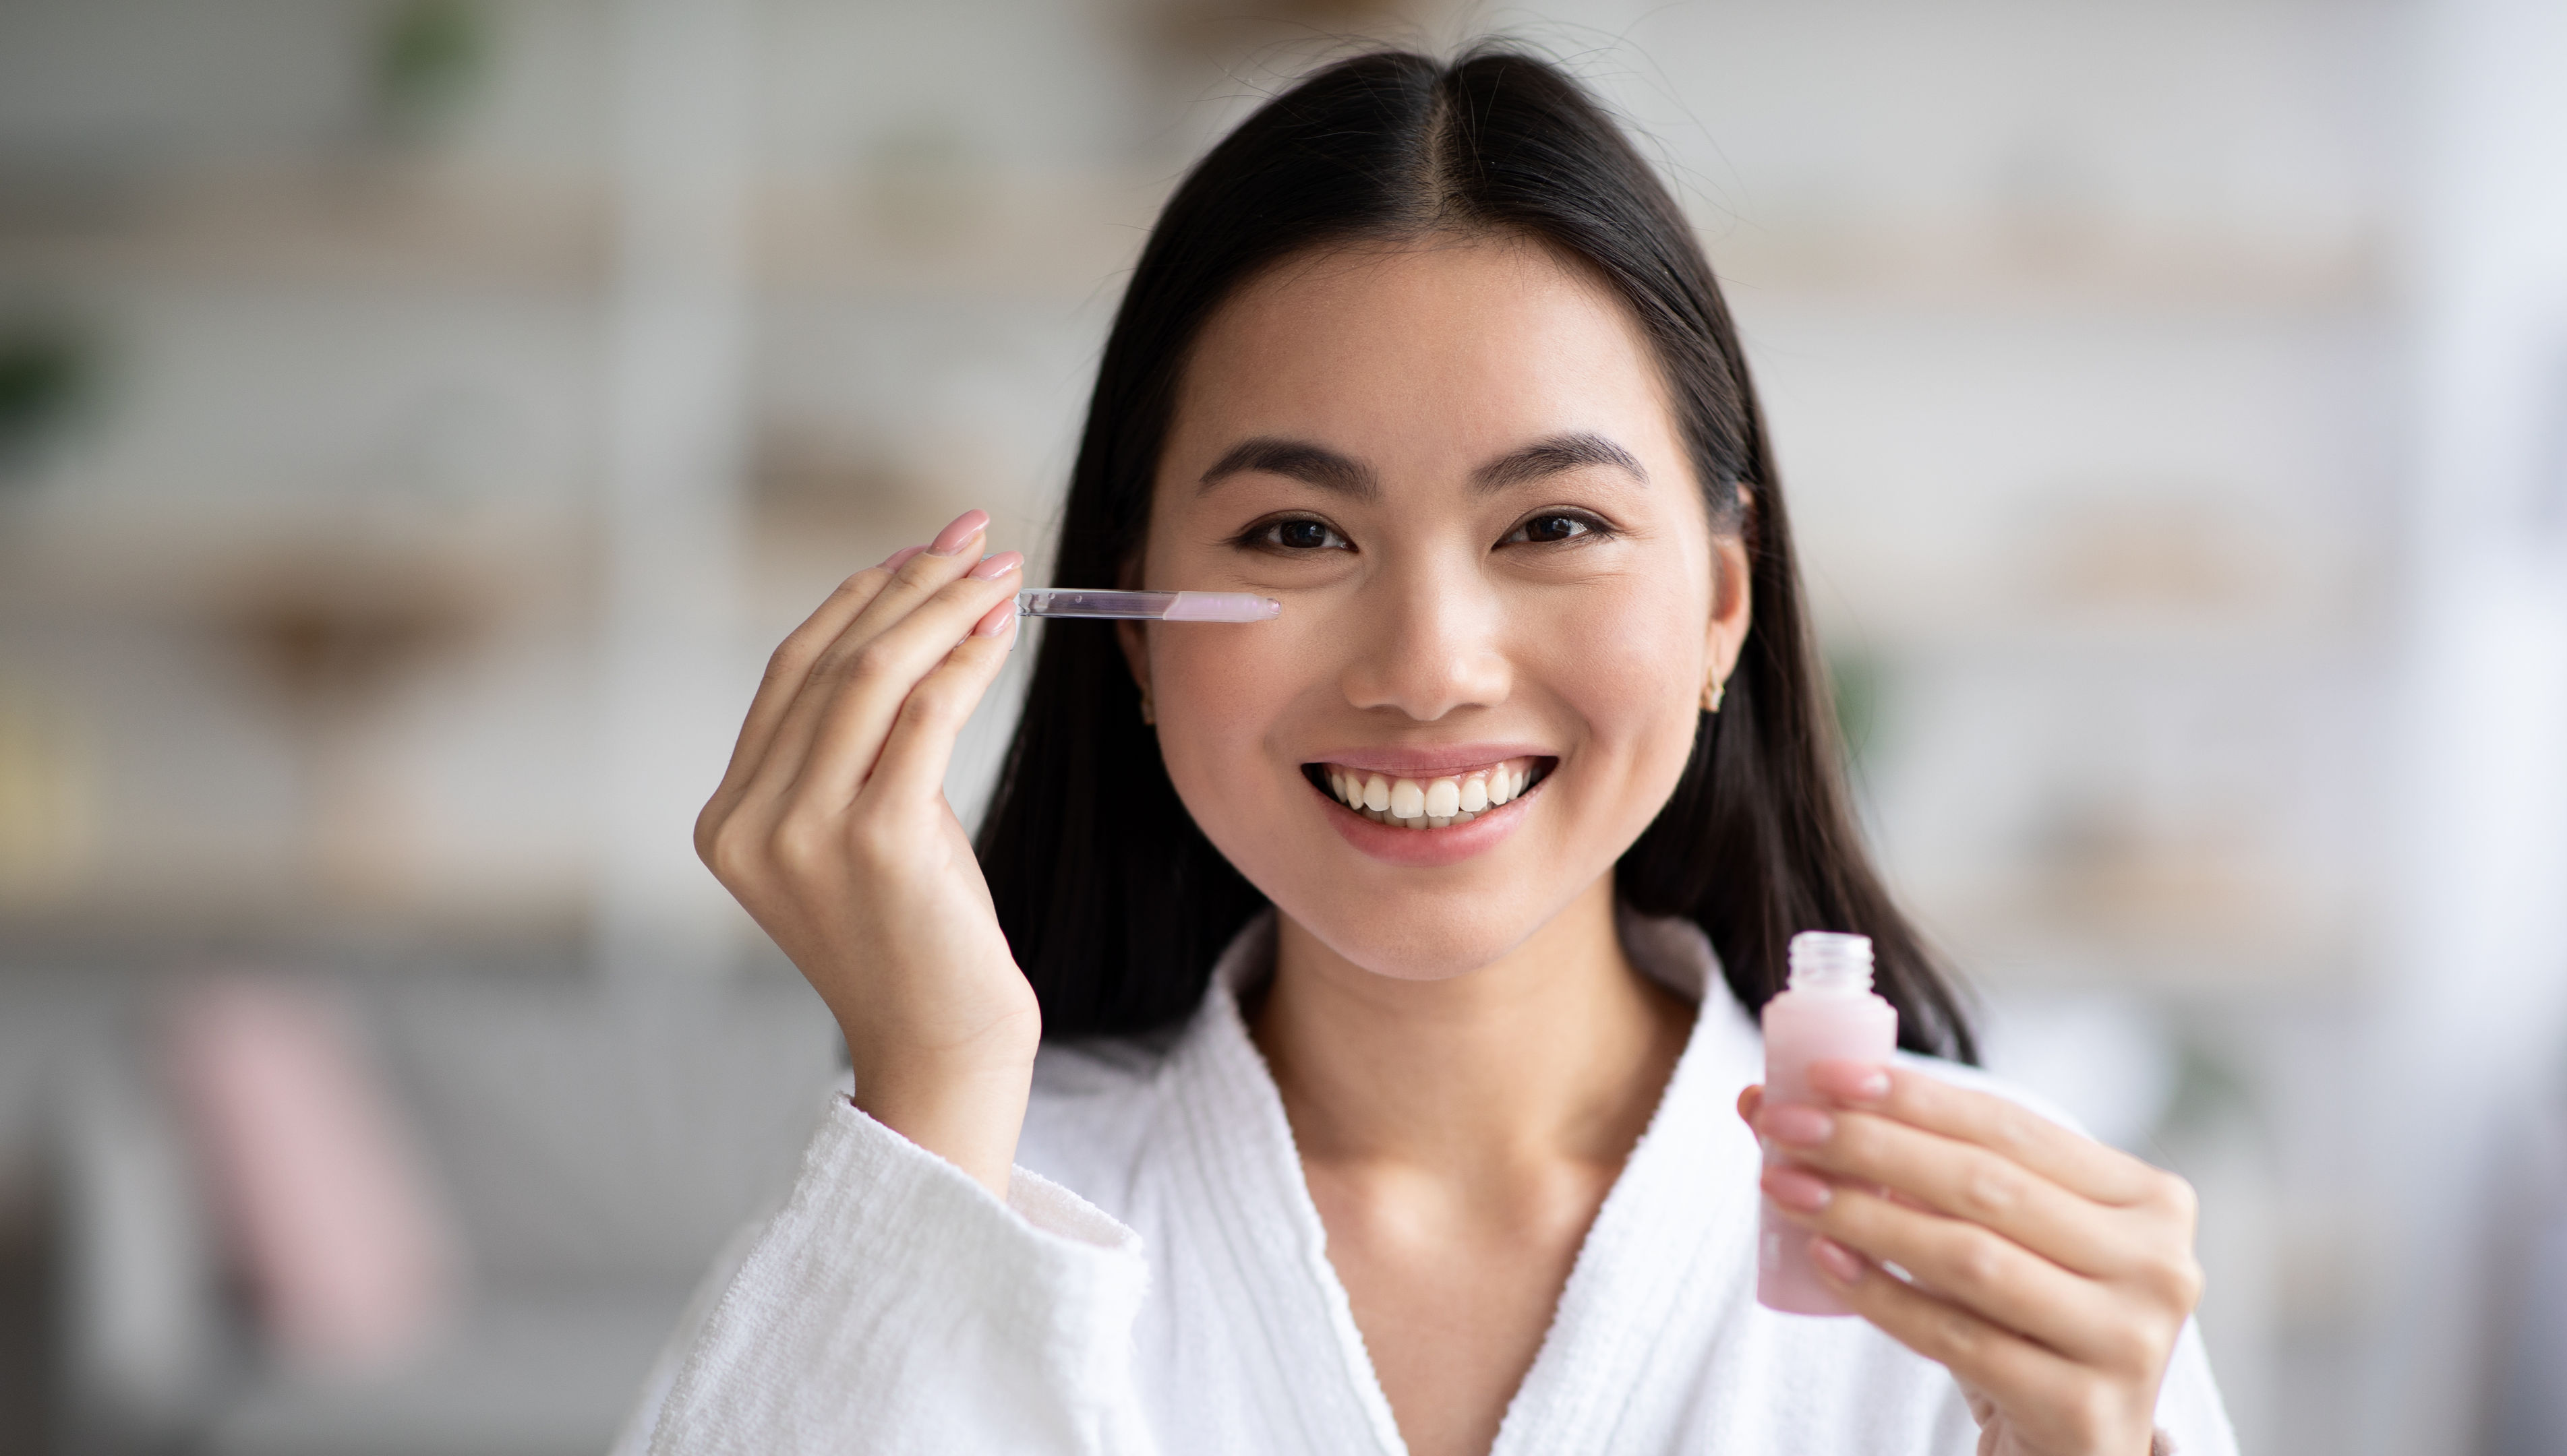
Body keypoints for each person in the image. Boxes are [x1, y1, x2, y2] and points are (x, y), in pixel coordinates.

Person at [620, 45, 2231, 1456]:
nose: (1428, 670)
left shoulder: (1986, 1270)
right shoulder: (965, 1177)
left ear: (1724, 605)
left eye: (1554, 523)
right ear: (1127, 618)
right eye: (1300, 531)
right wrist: (941, 1100)